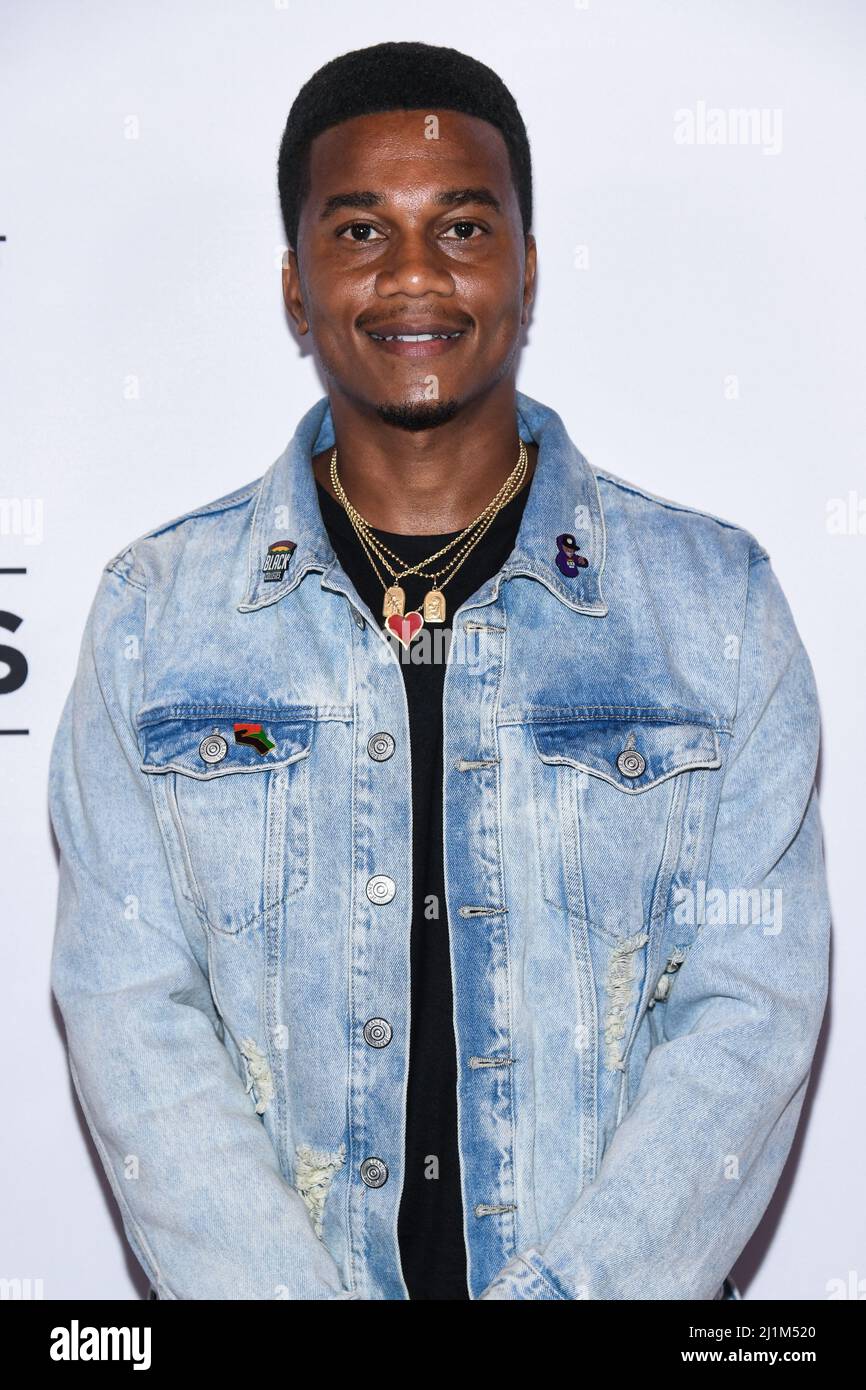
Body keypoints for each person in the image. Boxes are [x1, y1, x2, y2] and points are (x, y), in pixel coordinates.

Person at [49, 40, 830, 1301]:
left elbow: (749, 1012)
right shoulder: (157, 620)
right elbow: (132, 1016)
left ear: (524, 268)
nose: (414, 274)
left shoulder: (711, 607)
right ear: (296, 290)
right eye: (358, 231)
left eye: (461, 227)